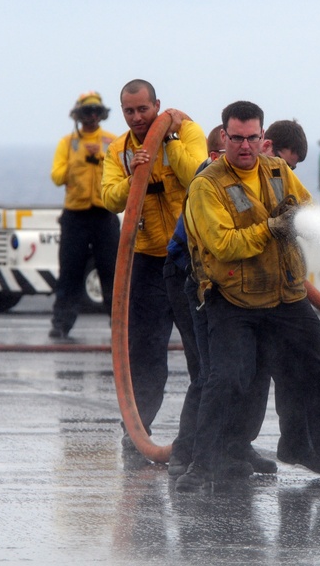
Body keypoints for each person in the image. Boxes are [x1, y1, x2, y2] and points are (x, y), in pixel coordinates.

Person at [176, 100, 320, 491]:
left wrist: (306, 223)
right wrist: (273, 227)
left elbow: (307, 210)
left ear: (262, 136)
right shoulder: (206, 186)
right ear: (224, 137)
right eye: (236, 138)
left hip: (286, 295)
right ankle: (202, 464)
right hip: (234, 300)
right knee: (228, 379)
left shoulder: (279, 171)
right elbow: (223, 244)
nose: (245, 146)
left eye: (252, 137)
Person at [100, 79, 208, 459]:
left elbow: (198, 174)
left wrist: (170, 141)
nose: (136, 117)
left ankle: (208, 437)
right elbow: (109, 198)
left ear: (157, 105)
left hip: (188, 259)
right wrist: (135, 177)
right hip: (146, 262)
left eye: (143, 109)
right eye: (129, 111)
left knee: (202, 351)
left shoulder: (187, 131)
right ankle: (137, 431)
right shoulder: (118, 151)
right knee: (144, 353)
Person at [47, 91, 120, 339]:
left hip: (104, 215)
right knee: (70, 272)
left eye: (96, 111)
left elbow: (123, 172)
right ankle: (61, 323)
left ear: (102, 114)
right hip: (75, 216)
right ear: (78, 115)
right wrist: (78, 162)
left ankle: (119, 325)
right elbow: (57, 176)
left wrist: (100, 158)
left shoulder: (112, 142)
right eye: (87, 111)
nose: (92, 116)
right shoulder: (68, 144)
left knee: (112, 272)